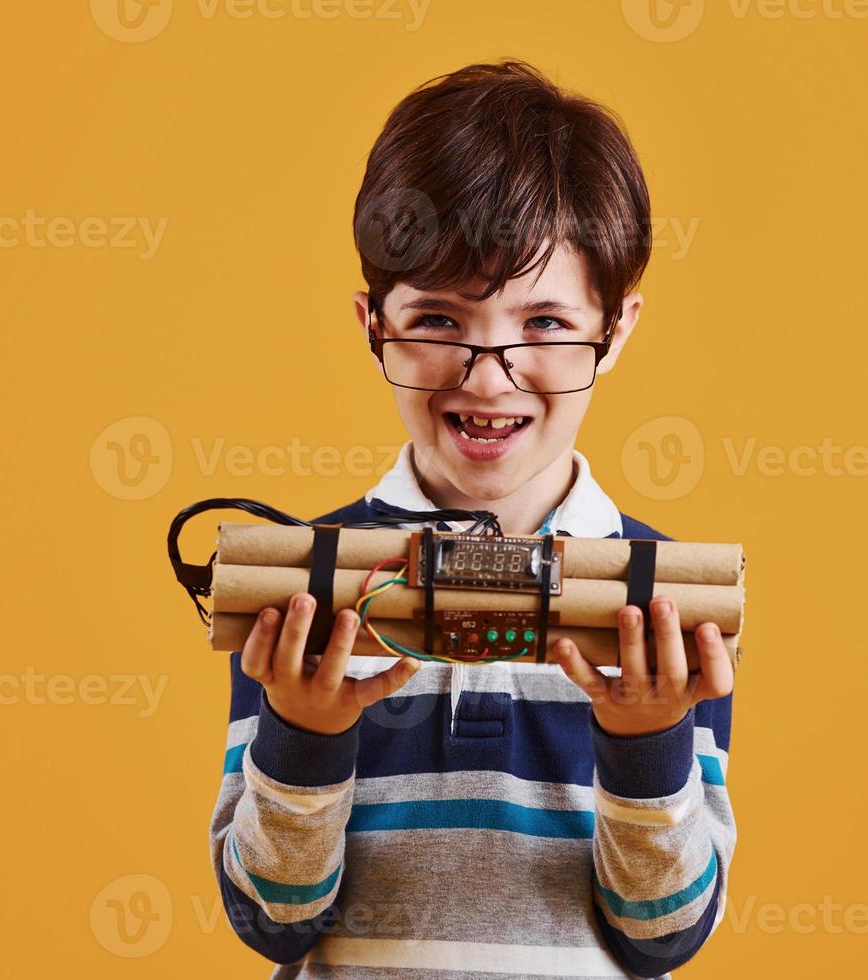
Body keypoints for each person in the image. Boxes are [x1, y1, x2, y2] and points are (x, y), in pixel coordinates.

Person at [209, 60, 736, 979]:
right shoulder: (304, 581)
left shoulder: (667, 599)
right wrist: (306, 731)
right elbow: (269, 921)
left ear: (614, 331)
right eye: (441, 320)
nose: (487, 378)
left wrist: (648, 738)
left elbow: (663, 937)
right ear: (374, 325)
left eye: (542, 325)